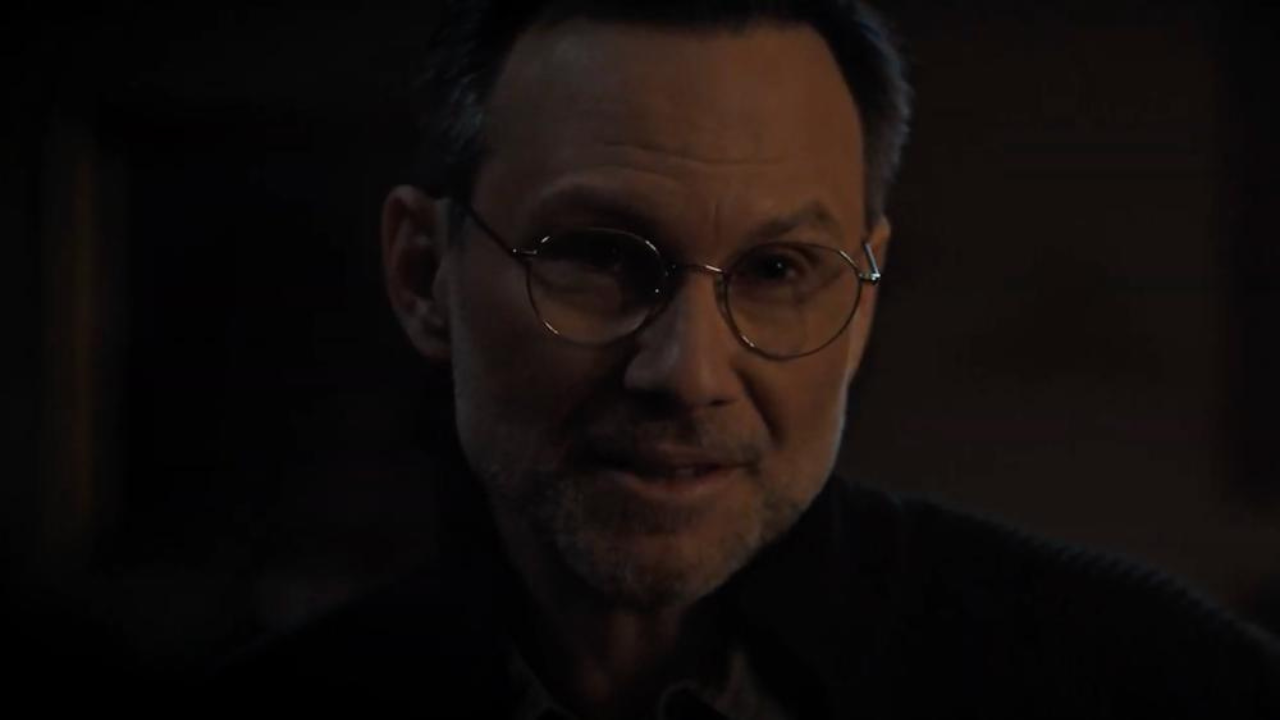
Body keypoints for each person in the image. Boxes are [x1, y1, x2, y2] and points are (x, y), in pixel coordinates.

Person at [219, 1, 1280, 717]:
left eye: (776, 269)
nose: (688, 373)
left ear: (860, 307)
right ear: (423, 277)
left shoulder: (1155, 687)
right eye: (599, 257)